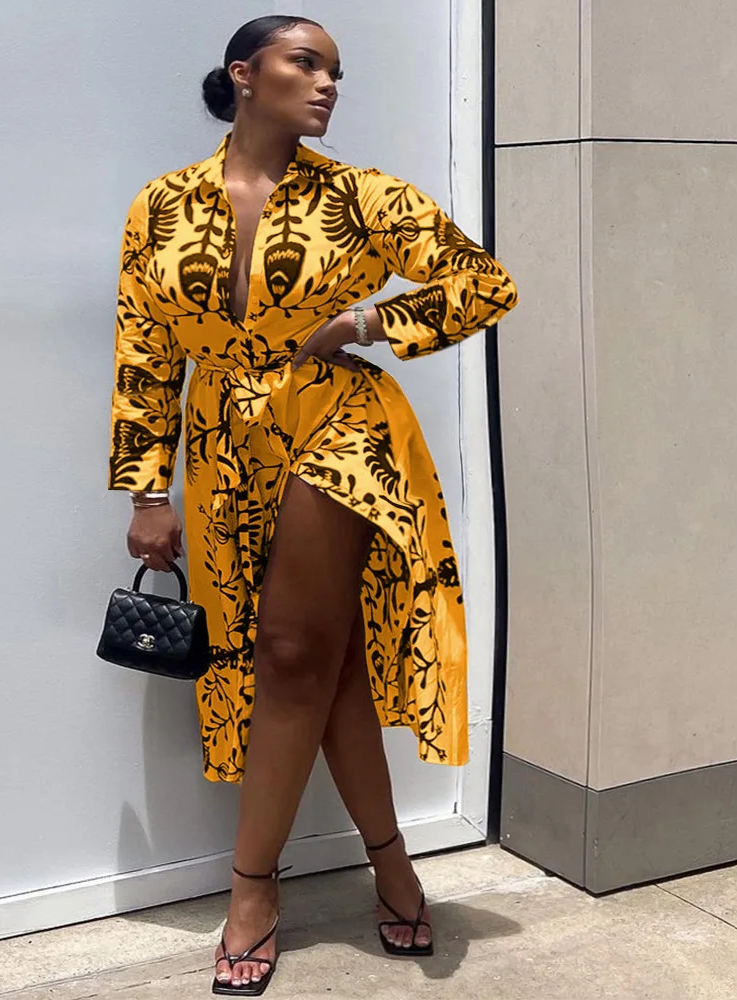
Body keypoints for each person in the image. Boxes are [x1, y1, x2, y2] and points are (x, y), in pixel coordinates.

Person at [107, 14, 518, 996]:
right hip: (222, 444)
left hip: (339, 426)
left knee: (290, 653)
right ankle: (392, 864)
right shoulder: (160, 205)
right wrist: (147, 488)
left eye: (337, 69)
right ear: (245, 75)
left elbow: (483, 283)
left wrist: (367, 320)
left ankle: (251, 889)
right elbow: (144, 352)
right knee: (327, 670)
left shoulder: (363, 196)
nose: (328, 82)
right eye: (307, 63)